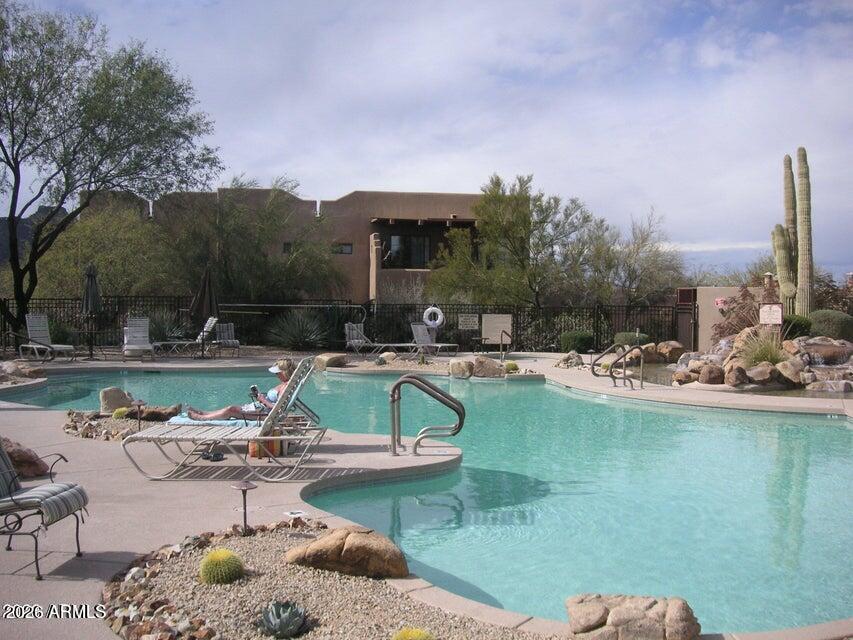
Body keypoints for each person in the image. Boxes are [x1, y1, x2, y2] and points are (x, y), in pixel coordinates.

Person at [186, 358, 296, 421]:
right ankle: (205, 413)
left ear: (284, 372)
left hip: (264, 415)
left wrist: (263, 400)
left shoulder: (286, 386)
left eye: (278, 373)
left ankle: (203, 418)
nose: (276, 375)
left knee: (231, 410)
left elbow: (279, 409)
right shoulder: (285, 384)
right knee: (232, 408)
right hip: (260, 409)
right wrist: (261, 398)